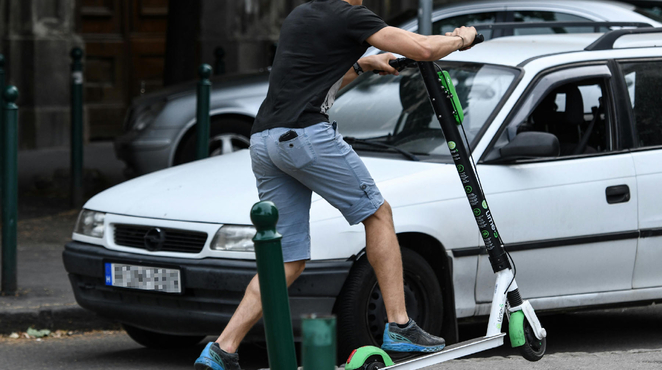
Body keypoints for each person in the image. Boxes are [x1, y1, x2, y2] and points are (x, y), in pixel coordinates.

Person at [194, 1, 478, 369]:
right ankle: (400, 327)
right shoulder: (351, 15)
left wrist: (363, 64)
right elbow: (422, 48)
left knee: (287, 259)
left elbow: (312, 79)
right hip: (305, 137)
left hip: (265, 140)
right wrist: (460, 39)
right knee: (378, 214)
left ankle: (222, 349)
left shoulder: (301, 14)